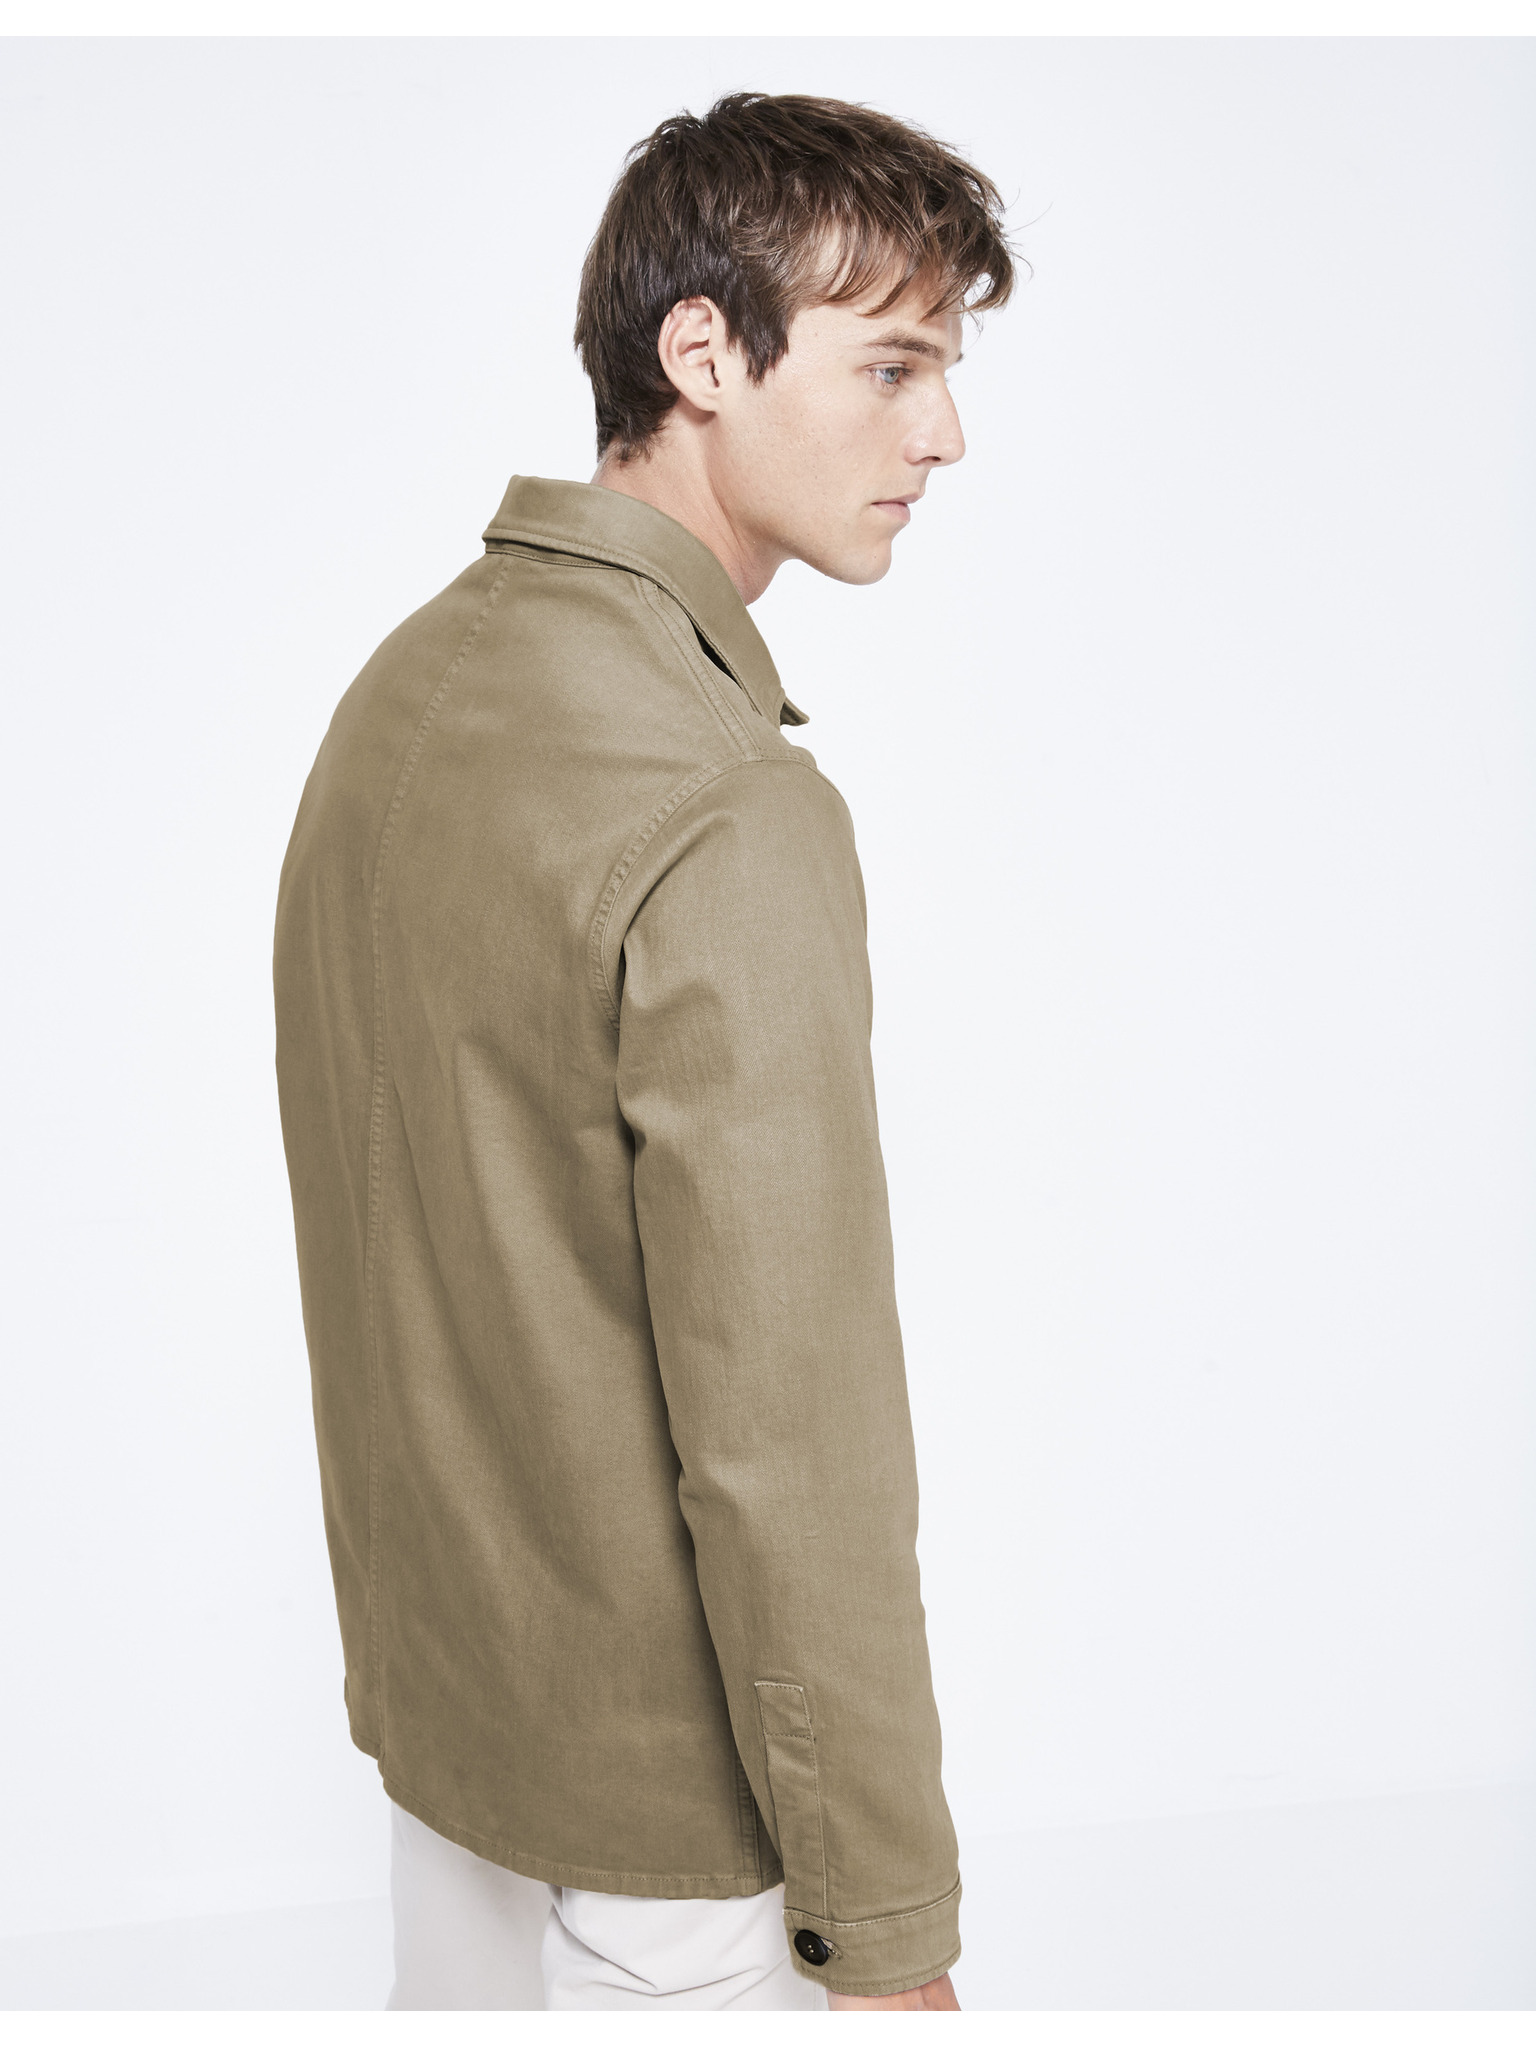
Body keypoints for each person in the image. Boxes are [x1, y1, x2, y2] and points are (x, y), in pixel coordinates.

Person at [273, 90, 1014, 2013]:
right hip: (673, 1862)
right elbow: (792, 1439)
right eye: (894, 365)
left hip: (449, 1756)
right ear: (701, 353)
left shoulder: (406, 688)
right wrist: (888, 1930)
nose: (944, 432)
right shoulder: (722, 805)